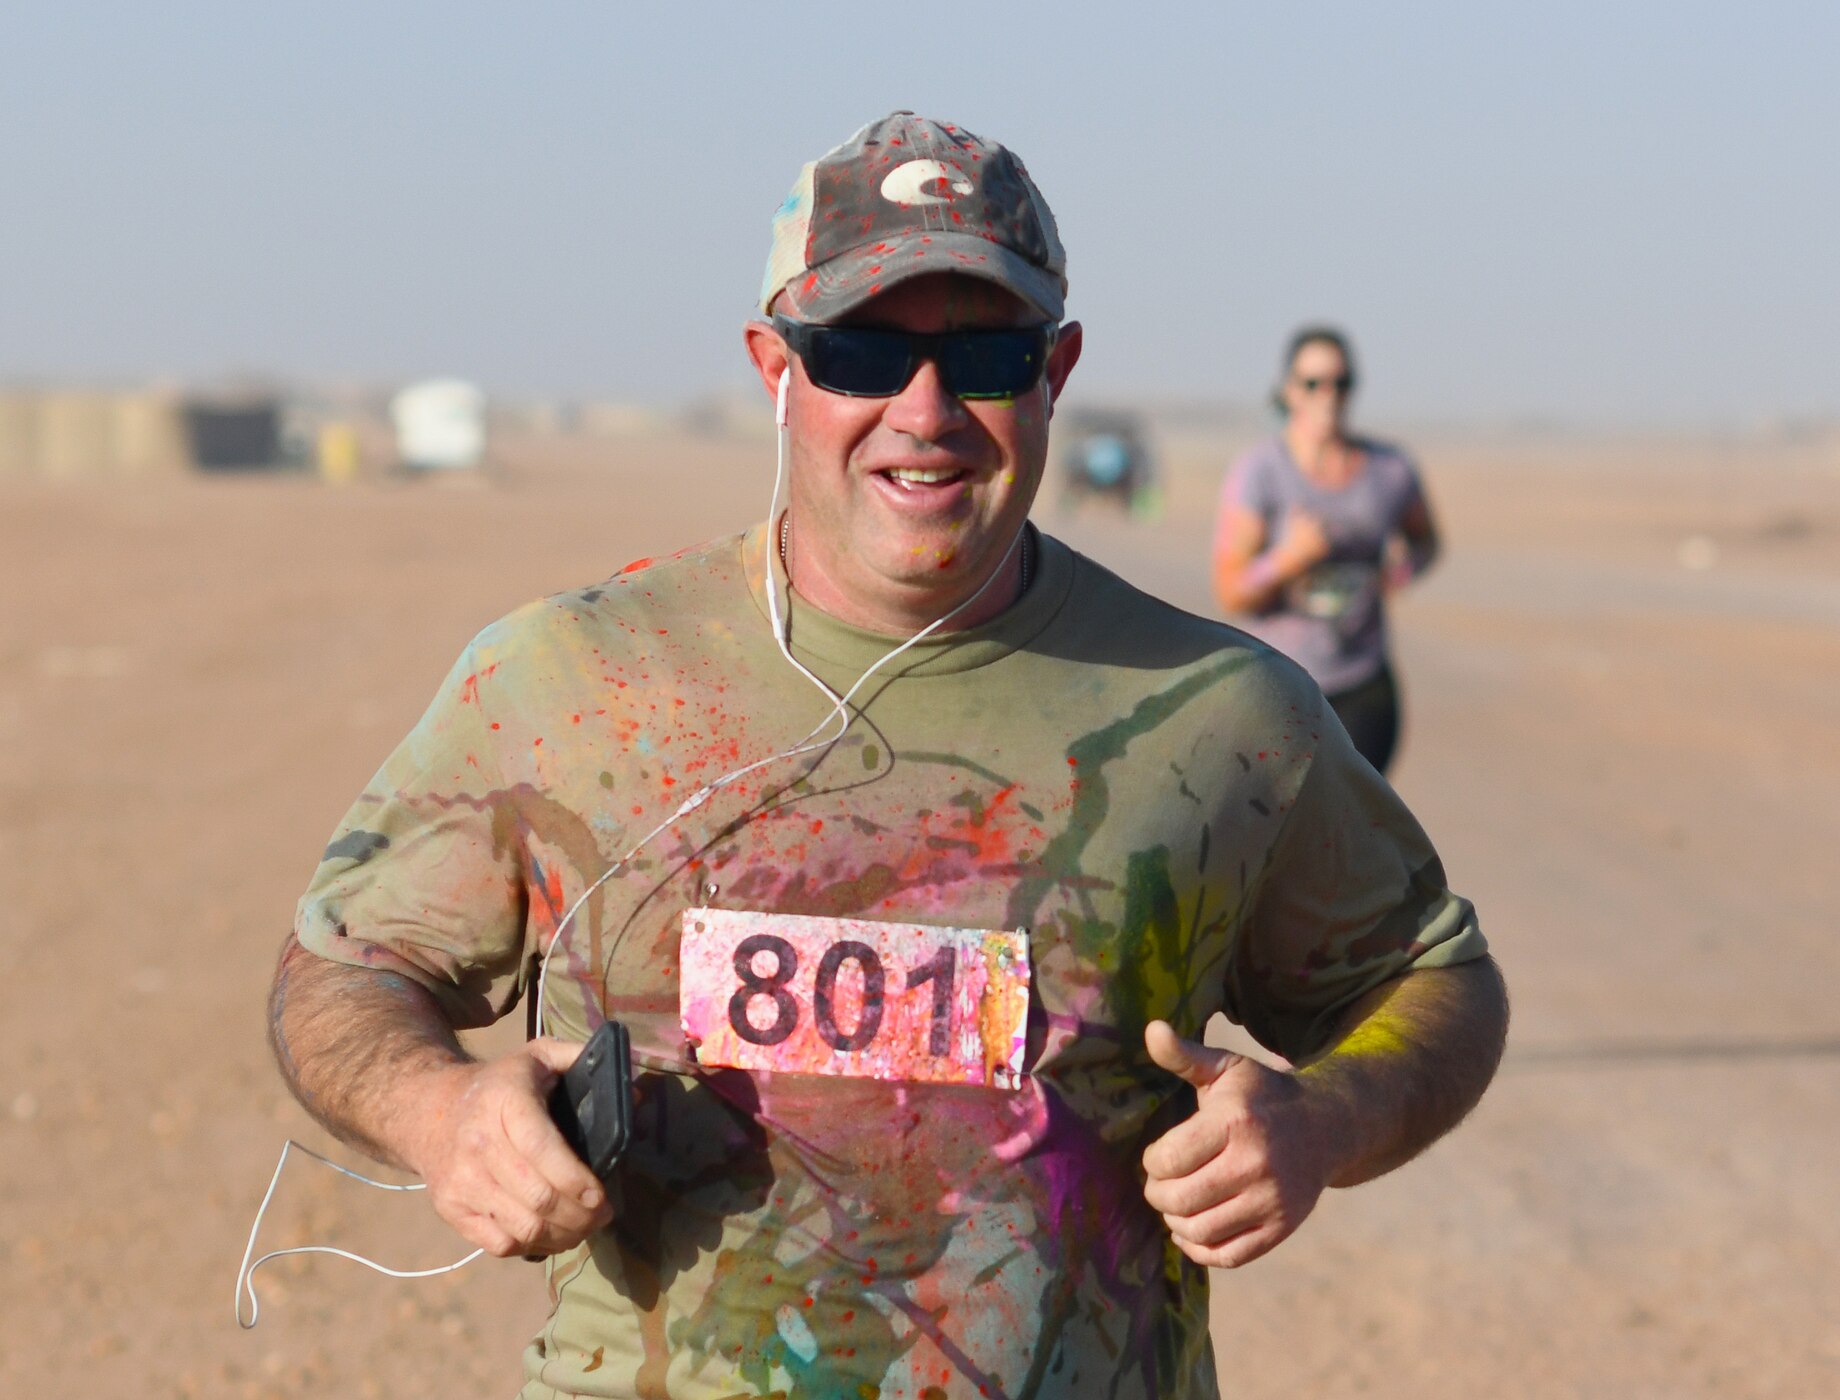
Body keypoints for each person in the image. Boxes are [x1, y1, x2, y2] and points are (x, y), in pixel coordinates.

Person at [267, 112, 1506, 1400]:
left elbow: (1433, 980)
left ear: (1055, 371)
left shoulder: (1219, 713)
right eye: (861, 352)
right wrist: (439, 1110)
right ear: (775, 367)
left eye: (983, 353)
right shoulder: (571, 682)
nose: (925, 411)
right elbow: (344, 967)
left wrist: (1324, 1119)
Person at [1211, 327, 1442, 774]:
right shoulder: (1259, 473)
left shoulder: (1389, 470)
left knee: (1351, 835)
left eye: (1341, 383)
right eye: (1313, 383)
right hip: (1279, 688)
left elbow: (1427, 541)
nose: (1328, 395)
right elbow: (1231, 592)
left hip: (1363, 685)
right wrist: (1289, 557)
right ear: (1289, 391)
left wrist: (1399, 573)